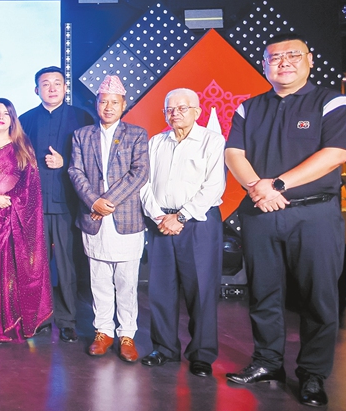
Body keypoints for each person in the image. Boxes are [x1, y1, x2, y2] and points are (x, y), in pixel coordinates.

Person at [225, 35, 346, 407]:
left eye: (292, 55)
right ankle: (267, 362)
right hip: (261, 213)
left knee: (318, 297)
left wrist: (278, 184)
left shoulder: (330, 101)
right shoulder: (250, 108)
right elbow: (234, 152)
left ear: (310, 60)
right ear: (264, 65)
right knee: (263, 293)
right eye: (274, 57)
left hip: (314, 214)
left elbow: (335, 153)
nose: (283, 62)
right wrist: (257, 188)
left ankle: (312, 374)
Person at [139, 88, 226, 377]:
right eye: (169, 109)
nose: (174, 113)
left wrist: (182, 216)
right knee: (161, 290)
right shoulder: (155, 143)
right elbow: (144, 184)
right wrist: (159, 215)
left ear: (197, 111)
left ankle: (201, 353)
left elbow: (214, 186)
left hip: (199, 223)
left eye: (182, 108)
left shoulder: (212, 141)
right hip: (161, 221)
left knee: (201, 290)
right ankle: (164, 348)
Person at [68, 75, 149, 363]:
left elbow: (140, 173)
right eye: (103, 102)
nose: (108, 107)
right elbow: (75, 172)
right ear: (96, 104)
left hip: (125, 218)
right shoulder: (82, 135)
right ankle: (103, 331)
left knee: (126, 281)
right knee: (99, 279)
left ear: (123, 105)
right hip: (93, 218)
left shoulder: (136, 134)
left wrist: (108, 202)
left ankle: (127, 333)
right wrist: (94, 201)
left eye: (114, 103)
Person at [19, 66, 95, 343]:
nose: (52, 88)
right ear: (36, 89)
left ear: (65, 88)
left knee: (66, 265)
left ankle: (66, 320)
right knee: (35, 266)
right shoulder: (25, 120)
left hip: (67, 203)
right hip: (34, 205)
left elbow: (93, 160)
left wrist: (66, 163)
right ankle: (39, 318)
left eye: (57, 83)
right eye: (45, 84)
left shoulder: (82, 117)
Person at [0, 99, 54, 343]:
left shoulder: (21, 144)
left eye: (6, 113)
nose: (0, 116)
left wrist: (8, 201)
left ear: (12, 118)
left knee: (12, 272)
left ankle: (11, 326)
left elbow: (30, 184)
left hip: (13, 215)